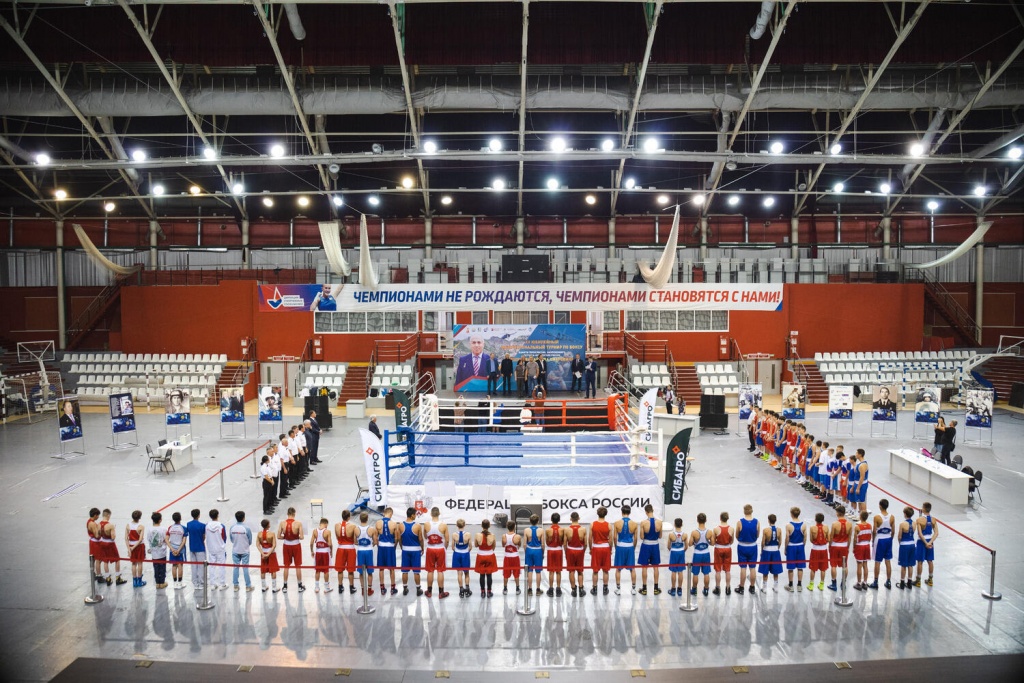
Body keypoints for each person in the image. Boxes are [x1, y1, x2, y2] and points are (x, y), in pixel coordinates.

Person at [422, 507, 449, 599]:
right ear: (439, 513)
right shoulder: (444, 525)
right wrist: (444, 548)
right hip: (440, 548)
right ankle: (441, 592)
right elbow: (447, 540)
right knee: (440, 570)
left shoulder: (426, 524)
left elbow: (425, 536)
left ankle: (429, 592)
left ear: (431, 514)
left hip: (430, 549)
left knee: (430, 570)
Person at [277, 508, 306, 593]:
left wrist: (286, 537)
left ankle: (285, 586)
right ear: (294, 513)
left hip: (286, 545)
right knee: (298, 566)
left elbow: (278, 536)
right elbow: (302, 537)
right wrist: (295, 537)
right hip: (296, 545)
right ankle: (300, 586)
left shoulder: (282, 523)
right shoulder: (298, 523)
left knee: (286, 566)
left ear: (287, 513)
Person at [637, 503, 663, 596]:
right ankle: (656, 589)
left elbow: (641, 537)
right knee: (656, 567)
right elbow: (660, 536)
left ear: (646, 512)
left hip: (646, 545)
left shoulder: (643, 523)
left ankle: (644, 589)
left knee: (644, 567)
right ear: (653, 511)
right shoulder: (659, 522)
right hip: (655, 545)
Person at [613, 505, 639, 595]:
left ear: (622, 512)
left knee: (618, 569)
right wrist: (633, 547)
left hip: (620, 546)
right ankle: (633, 589)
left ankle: (618, 589)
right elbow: (636, 538)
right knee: (632, 569)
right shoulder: (634, 524)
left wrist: (616, 547)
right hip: (630, 546)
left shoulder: (616, 523)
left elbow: (614, 537)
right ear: (630, 512)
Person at [869, 498, 895, 590]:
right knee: (888, 561)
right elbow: (893, 531)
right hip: (888, 539)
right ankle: (888, 581)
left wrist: (873, 540)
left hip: (879, 539)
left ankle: (875, 582)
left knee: (877, 561)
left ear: (880, 506)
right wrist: (890, 539)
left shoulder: (877, 517)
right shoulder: (892, 517)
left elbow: (874, 531)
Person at [398, 507, 424, 596]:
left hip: (405, 550)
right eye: (415, 514)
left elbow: (399, 538)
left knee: (404, 571)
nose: (416, 516)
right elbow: (420, 539)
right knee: (416, 571)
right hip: (415, 551)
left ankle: (405, 588)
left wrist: (402, 547)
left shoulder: (401, 525)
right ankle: (418, 589)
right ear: (412, 515)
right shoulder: (417, 526)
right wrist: (422, 548)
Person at [351, 511, 378, 596]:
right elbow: (375, 541)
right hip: (369, 551)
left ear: (360, 519)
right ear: (367, 519)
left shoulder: (356, 529)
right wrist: (370, 545)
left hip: (360, 551)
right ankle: (369, 589)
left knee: (361, 572)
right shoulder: (372, 529)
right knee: (370, 572)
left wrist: (361, 544)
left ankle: (363, 589)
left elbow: (355, 542)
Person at [735, 504, 759, 594]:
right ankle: (752, 587)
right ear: (752, 511)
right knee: (752, 568)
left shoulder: (740, 522)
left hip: (742, 546)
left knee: (743, 567)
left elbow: (737, 535)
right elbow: (757, 535)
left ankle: (741, 587)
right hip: (753, 547)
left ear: (744, 511)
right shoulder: (757, 522)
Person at [376, 507, 400, 595]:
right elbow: (396, 538)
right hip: (390, 547)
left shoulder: (378, 523)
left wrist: (379, 545)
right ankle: (393, 588)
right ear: (391, 514)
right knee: (392, 568)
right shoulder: (393, 524)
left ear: (384, 513)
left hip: (381, 546)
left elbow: (375, 537)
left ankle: (382, 588)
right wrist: (394, 547)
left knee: (381, 568)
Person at [914, 502, 939, 587]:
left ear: (923, 509)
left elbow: (920, 533)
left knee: (920, 561)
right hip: (930, 540)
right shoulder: (933, 519)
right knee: (930, 560)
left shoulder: (919, 520)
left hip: (922, 542)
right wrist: (930, 542)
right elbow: (936, 533)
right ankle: (930, 579)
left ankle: (918, 580)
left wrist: (925, 543)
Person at [333, 510, 357, 594]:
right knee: (350, 570)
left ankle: (340, 587)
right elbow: (355, 540)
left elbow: (337, 537)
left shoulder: (336, 525)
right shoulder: (353, 526)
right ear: (349, 517)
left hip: (340, 548)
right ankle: (351, 587)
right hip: (350, 549)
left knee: (340, 569)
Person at [589, 506, 612, 595]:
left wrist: (590, 549)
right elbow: (610, 540)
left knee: (595, 570)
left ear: (597, 514)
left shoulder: (592, 524)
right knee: (605, 570)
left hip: (596, 548)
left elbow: (590, 538)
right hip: (605, 548)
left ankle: (594, 589)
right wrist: (610, 549)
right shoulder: (609, 525)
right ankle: (605, 589)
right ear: (606, 514)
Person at [565, 512, 588, 598]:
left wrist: (566, 552)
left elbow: (564, 543)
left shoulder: (567, 530)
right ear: (579, 518)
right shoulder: (583, 529)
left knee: (571, 571)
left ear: (570, 519)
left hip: (570, 550)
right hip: (580, 551)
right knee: (580, 571)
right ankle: (581, 589)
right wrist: (583, 551)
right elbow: (585, 544)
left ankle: (573, 590)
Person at [758, 514, 783, 592]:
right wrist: (777, 549)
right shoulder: (779, 530)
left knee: (765, 570)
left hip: (767, 551)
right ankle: (776, 587)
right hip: (775, 551)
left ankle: (764, 588)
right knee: (776, 570)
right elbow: (780, 541)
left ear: (768, 520)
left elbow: (763, 542)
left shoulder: (765, 530)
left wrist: (762, 551)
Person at [710, 511, 734, 596]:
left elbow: (713, 542)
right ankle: (728, 588)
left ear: (720, 518)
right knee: (727, 570)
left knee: (718, 570)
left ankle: (718, 588)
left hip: (719, 549)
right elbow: (732, 541)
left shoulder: (716, 529)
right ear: (727, 518)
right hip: (727, 549)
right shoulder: (731, 529)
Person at [783, 507, 806, 592]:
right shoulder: (804, 525)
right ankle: (799, 585)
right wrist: (803, 546)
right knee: (800, 567)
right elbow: (805, 537)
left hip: (791, 547)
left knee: (791, 567)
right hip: (800, 546)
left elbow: (787, 538)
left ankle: (791, 585)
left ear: (791, 514)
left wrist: (785, 548)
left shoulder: (788, 525)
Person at [828, 506, 850, 592]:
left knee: (833, 565)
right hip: (844, 546)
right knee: (845, 565)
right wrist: (848, 547)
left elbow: (831, 537)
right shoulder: (849, 524)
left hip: (835, 546)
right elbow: (849, 538)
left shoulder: (834, 524)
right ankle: (843, 583)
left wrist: (829, 546)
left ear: (837, 513)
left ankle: (834, 584)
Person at [230, 511, 253, 591]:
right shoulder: (247, 528)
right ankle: (248, 586)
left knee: (236, 567)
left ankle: (235, 586)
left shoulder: (232, 527)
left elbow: (231, 539)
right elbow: (250, 540)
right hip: (245, 551)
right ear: (243, 518)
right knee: (245, 568)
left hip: (235, 550)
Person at [690, 513, 712, 597]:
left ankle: (694, 589)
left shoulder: (694, 532)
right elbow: (713, 543)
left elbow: (690, 544)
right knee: (706, 573)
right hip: (706, 553)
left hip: (697, 554)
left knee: (695, 573)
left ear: (697, 520)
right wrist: (707, 542)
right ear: (706, 520)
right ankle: (706, 589)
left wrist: (695, 542)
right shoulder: (709, 532)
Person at [205, 509, 228, 590]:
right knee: (222, 566)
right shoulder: (221, 526)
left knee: (212, 566)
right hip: (220, 549)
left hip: (211, 548)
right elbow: (224, 537)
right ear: (218, 515)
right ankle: (222, 584)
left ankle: (212, 584)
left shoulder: (207, 525)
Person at [474, 518, 497, 598]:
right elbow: (494, 547)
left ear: (481, 525)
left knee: (482, 575)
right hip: (490, 555)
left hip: (481, 555)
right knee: (489, 575)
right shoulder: (492, 535)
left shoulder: (477, 535)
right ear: (489, 526)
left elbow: (476, 545)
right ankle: (489, 591)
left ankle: (483, 592)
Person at [523, 514, 545, 597]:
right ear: (538, 521)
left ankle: (530, 589)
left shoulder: (526, 530)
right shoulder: (541, 530)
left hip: (529, 550)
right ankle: (538, 590)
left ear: (530, 521)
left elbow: (524, 544)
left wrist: (526, 552)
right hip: (538, 551)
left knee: (529, 570)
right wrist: (542, 553)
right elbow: (543, 544)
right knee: (538, 571)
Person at [807, 512, 829, 592]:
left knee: (813, 568)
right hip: (823, 549)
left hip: (815, 549)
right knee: (823, 568)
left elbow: (811, 539)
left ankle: (811, 585)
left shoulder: (812, 528)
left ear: (815, 519)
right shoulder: (826, 528)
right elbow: (828, 539)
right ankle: (821, 585)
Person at [311, 517, 333, 593]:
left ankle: (316, 588)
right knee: (326, 570)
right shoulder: (328, 531)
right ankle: (326, 588)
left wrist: (312, 551)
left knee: (317, 570)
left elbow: (311, 542)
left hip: (318, 552)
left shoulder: (314, 531)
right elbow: (330, 544)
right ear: (326, 524)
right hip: (325, 553)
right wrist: (331, 551)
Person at [186, 508, 207, 588]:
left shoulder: (188, 524)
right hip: (200, 547)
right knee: (201, 566)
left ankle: (195, 582)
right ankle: (201, 582)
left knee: (193, 566)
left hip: (192, 547)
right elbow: (203, 537)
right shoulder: (202, 525)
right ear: (199, 515)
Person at [451, 519, 473, 598]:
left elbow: (452, 547)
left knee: (459, 573)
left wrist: (458, 551)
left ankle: (461, 590)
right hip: (465, 554)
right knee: (466, 573)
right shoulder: (468, 534)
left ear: (457, 525)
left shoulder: (454, 534)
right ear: (464, 525)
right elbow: (470, 546)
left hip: (457, 554)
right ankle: (467, 589)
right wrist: (466, 551)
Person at [125, 510, 147, 588]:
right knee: (140, 563)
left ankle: (134, 581)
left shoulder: (128, 525)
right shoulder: (141, 526)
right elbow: (140, 539)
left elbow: (126, 538)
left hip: (131, 545)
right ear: (139, 517)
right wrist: (133, 548)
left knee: (133, 563)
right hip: (139, 546)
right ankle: (139, 581)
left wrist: (129, 549)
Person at [896, 506, 916, 590]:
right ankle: (909, 583)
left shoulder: (902, 524)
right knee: (910, 564)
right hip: (912, 544)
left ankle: (902, 583)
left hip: (904, 545)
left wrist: (900, 543)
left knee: (903, 565)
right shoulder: (914, 523)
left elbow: (899, 536)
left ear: (905, 514)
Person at [258, 519, 280, 593]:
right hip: (271, 553)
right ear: (268, 525)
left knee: (263, 570)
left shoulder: (259, 534)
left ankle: (263, 587)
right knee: (273, 570)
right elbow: (274, 545)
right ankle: (274, 588)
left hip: (263, 553)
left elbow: (257, 545)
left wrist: (263, 553)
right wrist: (268, 554)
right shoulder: (272, 534)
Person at [853, 511, 873, 591]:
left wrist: (854, 547)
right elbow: (870, 536)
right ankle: (865, 582)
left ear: (860, 517)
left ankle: (858, 583)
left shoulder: (857, 527)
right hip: (867, 545)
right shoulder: (870, 526)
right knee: (865, 564)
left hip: (860, 546)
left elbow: (855, 539)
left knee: (859, 565)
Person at [166, 511, 187, 589]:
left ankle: (175, 583)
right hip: (180, 549)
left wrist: (172, 549)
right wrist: (178, 550)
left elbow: (167, 539)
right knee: (180, 565)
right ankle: (180, 583)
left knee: (174, 565)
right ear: (180, 518)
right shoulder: (183, 528)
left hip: (172, 548)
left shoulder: (170, 528)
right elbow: (184, 541)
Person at [500, 520, 522, 595]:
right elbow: (519, 545)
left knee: (506, 573)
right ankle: (517, 588)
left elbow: (503, 545)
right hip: (515, 556)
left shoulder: (504, 536)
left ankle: (505, 588)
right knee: (516, 573)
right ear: (514, 527)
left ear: (507, 527)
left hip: (507, 557)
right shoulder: (517, 536)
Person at [545, 513, 564, 597]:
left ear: (551, 519)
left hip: (551, 551)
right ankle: (558, 589)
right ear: (559, 520)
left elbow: (547, 542)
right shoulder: (562, 530)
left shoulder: (548, 530)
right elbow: (562, 541)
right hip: (559, 550)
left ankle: (551, 589)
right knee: (558, 571)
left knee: (551, 571)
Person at [148, 512, 168, 589]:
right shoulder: (163, 529)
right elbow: (166, 539)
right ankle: (162, 582)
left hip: (154, 552)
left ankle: (157, 583)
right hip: (162, 552)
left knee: (156, 567)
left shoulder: (150, 529)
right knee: (162, 568)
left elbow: (149, 539)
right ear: (160, 520)